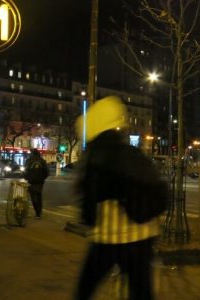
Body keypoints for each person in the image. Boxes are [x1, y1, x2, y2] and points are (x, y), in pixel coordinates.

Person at [73, 96, 167, 299]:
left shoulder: (97, 155)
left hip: (109, 237)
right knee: (142, 292)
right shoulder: (134, 154)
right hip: (143, 236)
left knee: (85, 289)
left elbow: (89, 205)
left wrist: (88, 218)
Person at [23, 149, 49, 219]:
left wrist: (26, 177)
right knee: (39, 196)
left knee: (33, 197)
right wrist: (43, 178)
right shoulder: (42, 161)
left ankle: (37, 212)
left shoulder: (28, 161)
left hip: (31, 181)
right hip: (40, 182)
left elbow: (25, 171)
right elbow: (46, 172)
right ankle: (39, 212)